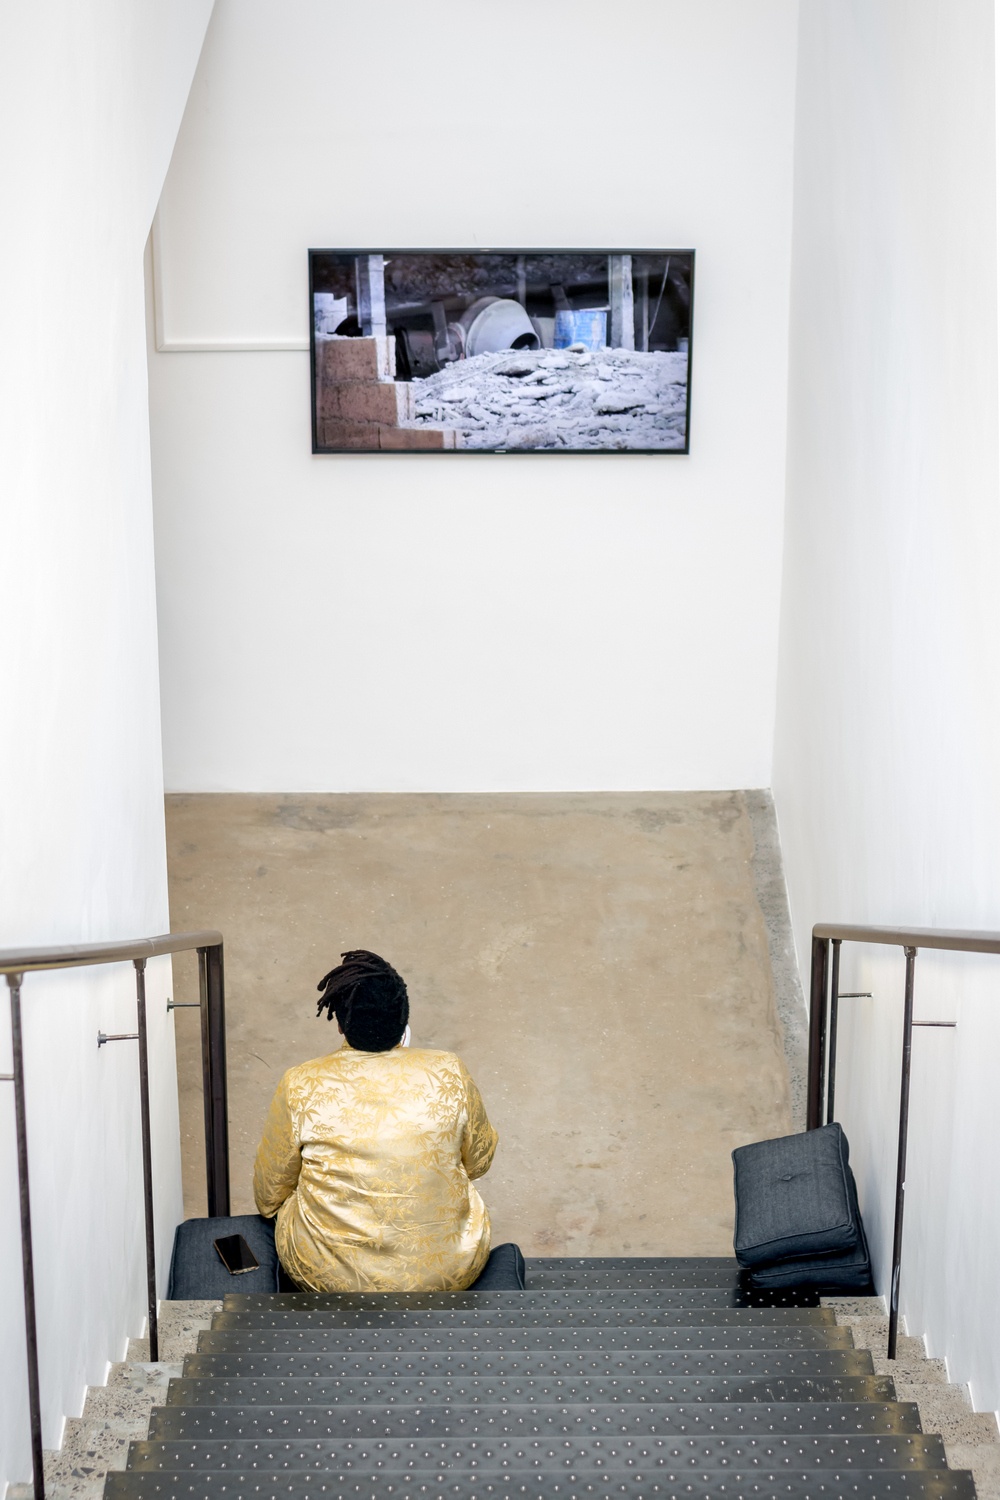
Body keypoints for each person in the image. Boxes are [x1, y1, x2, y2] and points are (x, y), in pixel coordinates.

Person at [253, 949, 498, 1292]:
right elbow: (480, 1161)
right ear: (404, 1020)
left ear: (339, 1022)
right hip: (448, 1271)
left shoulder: (301, 1082)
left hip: (331, 1278)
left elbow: (268, 1193)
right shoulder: (448, 1070)